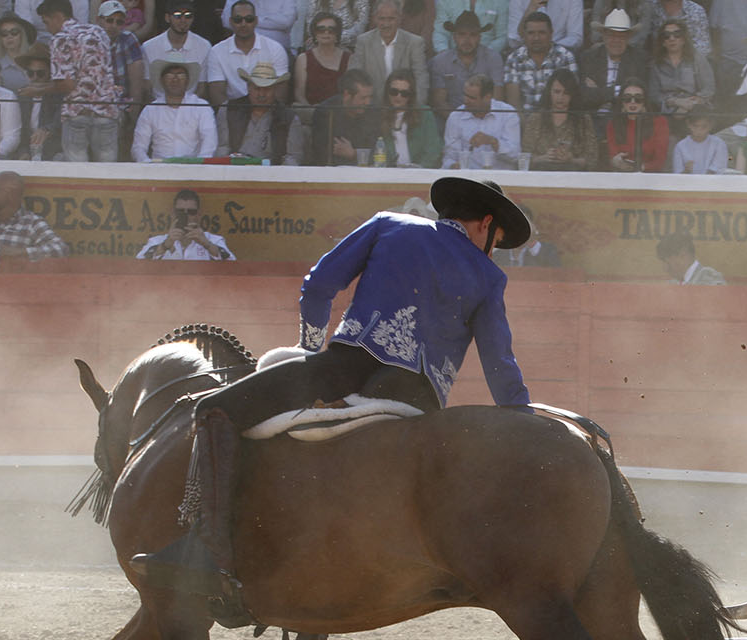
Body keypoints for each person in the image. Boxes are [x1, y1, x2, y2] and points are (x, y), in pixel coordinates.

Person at [128, 176, 533, 611]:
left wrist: (309, 348)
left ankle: (203, 550)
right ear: (485, 222)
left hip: (345, 369)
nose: (492, 251)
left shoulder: (388, 225)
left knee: (214, 409)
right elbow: (499, 362)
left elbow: (319, 285)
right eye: (497, 241)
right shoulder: (489, 276)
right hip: (418, 397)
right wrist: (521, 416)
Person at [38, 0, 121, 162]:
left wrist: (36, 90)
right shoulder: (99, 32)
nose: (47, 28)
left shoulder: (60, 38)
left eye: (46, 22)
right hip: (106, 111)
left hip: (77, 113)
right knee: (108, 173)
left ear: (57, 17)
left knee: (77, 172)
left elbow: (67, 84)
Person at [0, 169, 68, 272]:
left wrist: (22, 252)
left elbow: (61, 248)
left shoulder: (32, 222)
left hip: (10, 289)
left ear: (11, 194)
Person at [205, 0, 289, 107]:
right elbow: (217, 94)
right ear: (230, 21)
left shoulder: (275, 49)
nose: (243, 24)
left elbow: (280, 93)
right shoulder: (217, 51)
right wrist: (233, 116)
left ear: (256, 21)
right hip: (231, 113)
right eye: (238, 19)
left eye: (249, 19)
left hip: (268, 112)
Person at [133, 51, 217, 159]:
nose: (175, 79)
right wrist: (148, 165)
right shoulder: (150, 110)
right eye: (170, 75)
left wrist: (200, 166)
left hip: (192, 168)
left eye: (181, 75)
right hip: (159, 169)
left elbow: (209, 143)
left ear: (188, 81)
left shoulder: (201, 107)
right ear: (161, 80)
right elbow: (138, 147)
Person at [217, 60, 302, 161]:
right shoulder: (229, 109)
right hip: (235, 169)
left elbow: (294, 156)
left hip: (271, 172)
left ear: (274, 89)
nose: (262, 94)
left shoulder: (289, 118)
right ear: (248, 87)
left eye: (267, 89)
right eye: (257, 88)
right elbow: (223, 147)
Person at [579, 9, 648, 130]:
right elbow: (584, 96)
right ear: (604, 36)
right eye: (611, 35)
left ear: (628, 38)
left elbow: (639, 97)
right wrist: (619, 90)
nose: (616, 41)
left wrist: (599, 92)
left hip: (626, 122)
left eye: (621, 36)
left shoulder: (639, 60)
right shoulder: (588, 58)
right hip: (592, 122)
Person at [428, 9, 503, 120]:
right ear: (454, 37)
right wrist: (459, 123)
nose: (467, 40)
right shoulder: (440, 62)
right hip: (451, 121)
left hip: (487, 119)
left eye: (473, 35)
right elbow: (439, 102)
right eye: (462, 34)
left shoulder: (493, 58)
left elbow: (497, 99)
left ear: (479, 37)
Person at [353, 0, 429, 106]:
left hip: (405, 107)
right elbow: (355, 76)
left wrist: (416, 107)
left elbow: (421, 77)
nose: (386, 24)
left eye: (391, 19)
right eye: (382, 19)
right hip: (371, 108)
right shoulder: (363, 41)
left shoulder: (415, 42)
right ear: (375, 18)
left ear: (400, 18)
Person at [520, 67, 599, 169]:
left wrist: (572, 160)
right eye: (557, 92)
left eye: (566, 93)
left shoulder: (583, 120)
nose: (561, 98)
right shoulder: (535, 118)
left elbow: (593, 160)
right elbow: (524, 158)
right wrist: (543, 158)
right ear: (549, 92)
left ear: (573, 95)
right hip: (541, 176)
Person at [502, 11, 576, 112]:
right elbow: (514, 105)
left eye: (541, 33)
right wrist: (530, 127)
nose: (536, 38)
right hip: (523, 123)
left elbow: (569, 100)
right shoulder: (514, 59)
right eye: (531, 33)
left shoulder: (565, 57)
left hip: (557, 121)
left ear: (551, 34)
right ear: (524, 35)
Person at [441, 71, 518, 167]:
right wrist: (452, 165)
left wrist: (493, 142)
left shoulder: (507, 114)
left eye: (471, 98)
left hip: (501, 178)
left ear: (487, 97)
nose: (465, 100)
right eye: (464, 95)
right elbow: (449, 157)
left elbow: (515, 155)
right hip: (467, 178)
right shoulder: (455, 117)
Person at [308, 66, 382, 163]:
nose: (368, 102)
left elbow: (379, 153)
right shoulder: (326, 113)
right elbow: (323, 155)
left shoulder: (373, 113)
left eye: (370, 97)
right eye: (363, 98)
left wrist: (353, 154)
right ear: (347, 95)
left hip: (367, 173)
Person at [137, 188, 235, 259]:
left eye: (191, 212)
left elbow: (232, 264)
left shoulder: (214, 240)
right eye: (181, 212)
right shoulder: (157, 241)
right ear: (173, 213)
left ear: (198, 214)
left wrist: (207, 245)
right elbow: (139, 264)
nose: (187, 216)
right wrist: (165, 245)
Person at [647, 18, 711, 126]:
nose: (672, 38)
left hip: (694, 111)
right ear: (663, 42)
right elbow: (654, 95)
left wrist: (690, 104)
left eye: (677, 34)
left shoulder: (697, 59)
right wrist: (675, 102)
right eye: (666, 36)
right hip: (667, 112)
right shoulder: (656, 64)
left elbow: (709, 89)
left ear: (684, 39)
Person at [142, 2, 213, 100]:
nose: (183, 20)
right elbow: (147, 87)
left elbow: (202, 87)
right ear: (167, 18)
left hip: (192, 106)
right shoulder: (149, 47)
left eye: (188, 16)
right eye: (177, 15)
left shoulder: (204, 46)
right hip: (158, 105)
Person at [97, 0, 146, 138]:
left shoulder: (128, 39)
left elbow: (136, 85)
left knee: (115, 119)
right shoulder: (89, 40)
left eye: (119, 22)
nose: (114, 25)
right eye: (109, 20)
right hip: (93, 102)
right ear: (99, 20)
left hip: (120, 104)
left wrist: (133, 117)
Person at [376, 66, 440, 166]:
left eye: (404, 93)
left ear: (411, 95)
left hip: (418, 174)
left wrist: (417, 170)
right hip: (387, 173)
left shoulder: (425, 114)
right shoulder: (377, 115)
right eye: (394, 92)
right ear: (387, 92)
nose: (398, 96)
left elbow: (433, 150)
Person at [606, 76, 667, 171]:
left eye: (638, 98)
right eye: (627, 98)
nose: (633, 102)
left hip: (650, 176)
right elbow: (612, 155)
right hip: (622, 175)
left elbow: (660, 161)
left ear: (644, 102)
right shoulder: (613, 124)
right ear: (622, 102)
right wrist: (615, 161)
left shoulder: (659, 122)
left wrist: (640, 168)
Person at [13, 41, 61, 160]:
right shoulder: (21, 96)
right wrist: (23, 152)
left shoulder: (60, 96)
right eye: (30, 73)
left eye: (40, 73)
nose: (35, 78)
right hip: (28, 154)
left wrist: (47, 129)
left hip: (54, 153)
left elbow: (61, 124)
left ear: (50, 73)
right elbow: (19, 132)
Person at [292, 11, 347, 110]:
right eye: (321, 29)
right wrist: (312, 112)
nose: (326, 32)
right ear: (314, 33)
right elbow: (299, 94)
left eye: (331, 29)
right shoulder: (303, 59)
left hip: (339, 115)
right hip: (310, 114)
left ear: (337, 34)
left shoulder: (349, 58)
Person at [221, 0, 297, 55]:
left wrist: (249, 20)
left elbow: (286, 22)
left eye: (250, 19)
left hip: (278, 51)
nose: (244, 23)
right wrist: (271, 21)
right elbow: (227, 21)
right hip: (242, 50)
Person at [496, 201, 558, 266]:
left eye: (524, 225)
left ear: (532, 227)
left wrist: (532, 243)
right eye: (515, 223)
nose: (519, 229)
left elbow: (555, 273)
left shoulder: (548, 251)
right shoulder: (498, 255)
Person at [432, 0, 506, 54]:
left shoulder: (501, 2)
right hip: (452, 56)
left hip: (488, 58)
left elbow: (503, 36)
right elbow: (440, 32)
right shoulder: (445, 1)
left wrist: (485, 55)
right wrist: (445, 53)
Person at [506, 0, 581, 53]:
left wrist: (550, 48)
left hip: (560, 51)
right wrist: (530, 9)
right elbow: (513, 42)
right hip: (526, 52)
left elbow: (575, 38)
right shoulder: (517, 1)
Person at [0, 12, 36, 91]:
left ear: (22, 34)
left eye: (14, 32)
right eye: (4, 34)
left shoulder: (36, 59)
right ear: (0, 39)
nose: (9, 37)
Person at [670, 105, 727, 171]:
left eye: (704, 127)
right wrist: (686, 171)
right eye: (695, 126)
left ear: (711, 125)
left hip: (711, 181)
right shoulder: (680, 146)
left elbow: (719, 170)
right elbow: (678, 176)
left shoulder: (719, 144)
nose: (699, 131)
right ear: (688, 124)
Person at [656, 230, 724, 284]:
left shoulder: (710, 278)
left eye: (667, 262)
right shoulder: (674, 283)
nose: (665, 269)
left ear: (683, 255)